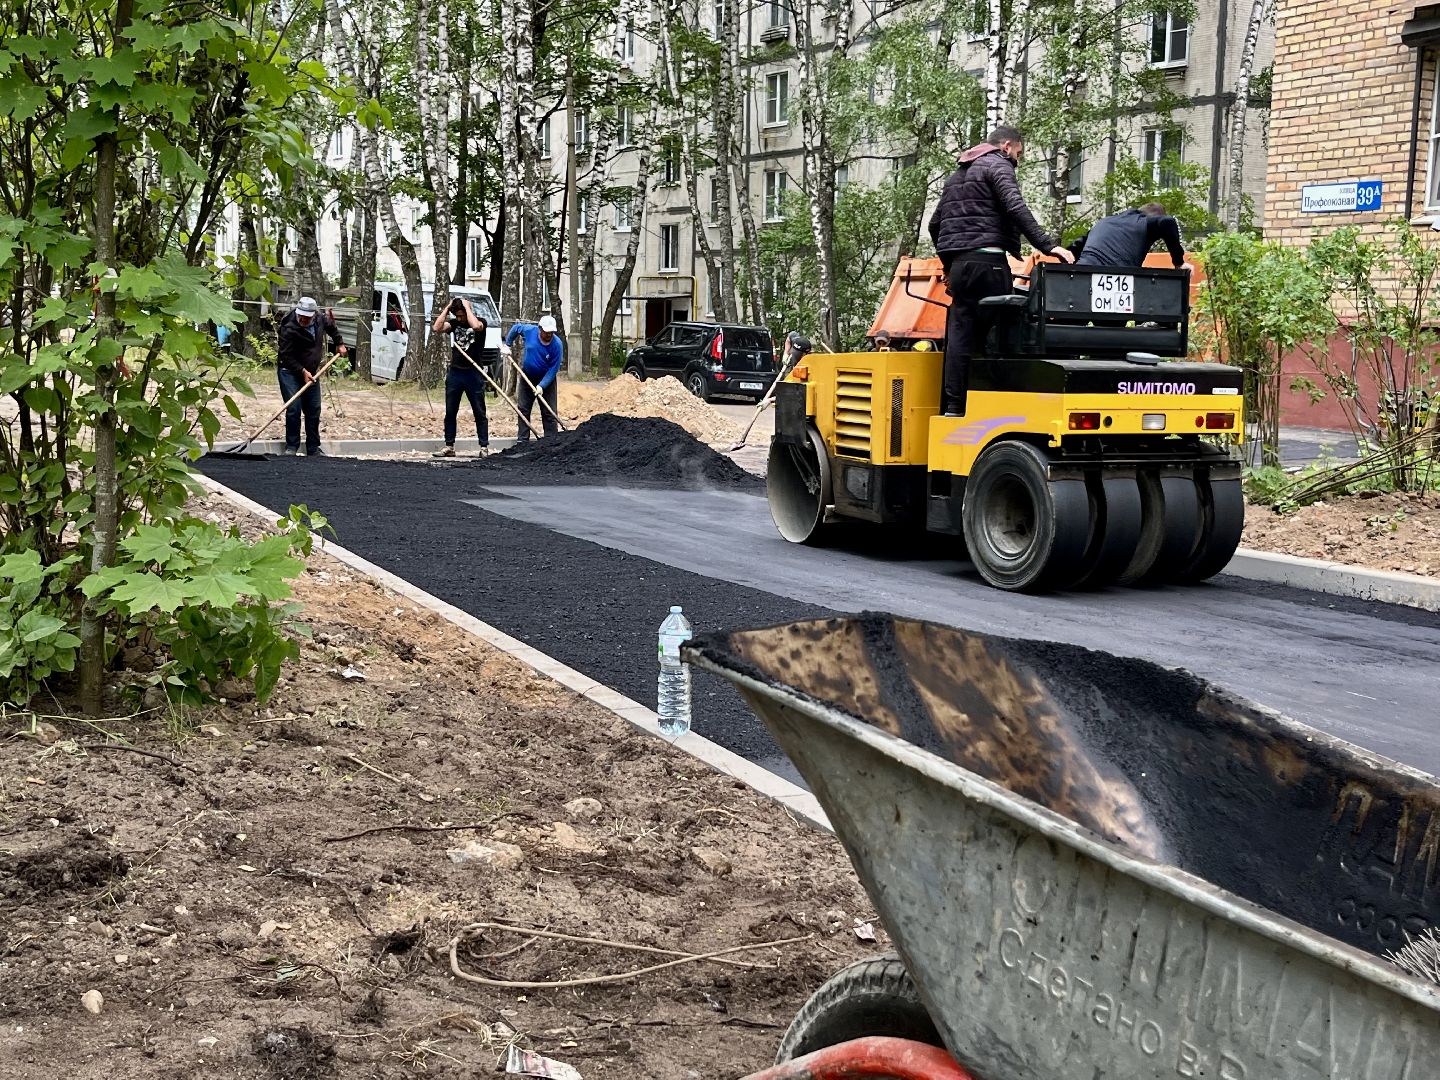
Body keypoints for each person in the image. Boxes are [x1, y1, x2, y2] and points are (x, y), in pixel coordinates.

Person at [927, 125, 1074, 416]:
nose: (1017, 160)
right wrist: (1048, 246)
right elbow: (1015, 207)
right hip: (990, 264)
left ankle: (955, 407)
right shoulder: (998, 164)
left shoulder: (955, 177)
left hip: (960, 267)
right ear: (1007, 146)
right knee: (1004, 330)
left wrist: (948, 266)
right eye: (1018, 153)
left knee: (960, 334)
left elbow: (935, 225)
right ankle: (996, 407)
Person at [276, 296, 346, 456]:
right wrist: (302, 371)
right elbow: (286, 355)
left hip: (312, 371)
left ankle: (313, 448)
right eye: (300, 316)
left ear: (313, 315)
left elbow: (332, 328)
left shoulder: (320, 319)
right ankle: (291, 447)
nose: (302, 319)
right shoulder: (289, 326)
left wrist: (339, 343)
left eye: (306, 317)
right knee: (294, 407)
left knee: (313, 408)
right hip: (289, 371)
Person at [432, 297, 493, 458]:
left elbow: (475, 326)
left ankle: (484, 447)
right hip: (455, 373)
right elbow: (436, 328)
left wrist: (467, 308)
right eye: (457, 316)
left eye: (462, 315)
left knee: (479, 411)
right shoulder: (454, 324)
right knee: (450, 411)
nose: (460, 319)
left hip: (474, 372)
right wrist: (447, 308)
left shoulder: (481, 322)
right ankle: (449, 446)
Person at [1072, 203, 1187, 270]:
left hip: (1083, 274)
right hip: (1117, 278)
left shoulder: (1105, 222)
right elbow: (1168, 222)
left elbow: (1076, 246)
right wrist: (1179, 263)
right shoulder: (1144, 222)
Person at [505, 314, 564, 442]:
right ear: (540, 329)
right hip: (527, 377)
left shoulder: (557, 345)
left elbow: (553, 369)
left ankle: (551, 440)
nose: (549, 335)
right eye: (546, 332)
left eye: (551, 332)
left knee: (549, 412)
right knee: (523, 408)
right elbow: (516, 328)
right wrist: (507, 345)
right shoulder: (530, 331)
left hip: (546, 381)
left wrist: (542, 385)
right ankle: (522, 440)